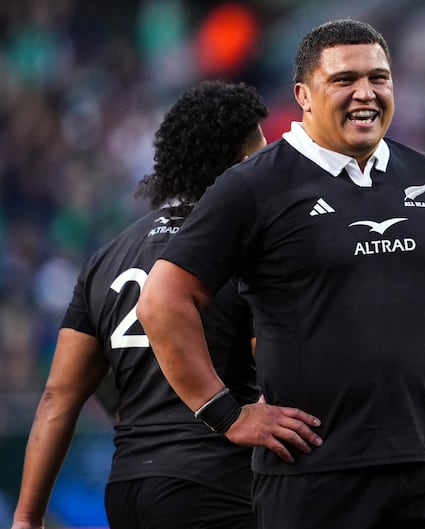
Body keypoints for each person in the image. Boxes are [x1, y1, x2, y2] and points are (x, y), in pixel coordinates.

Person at [137, 18, 425, 529]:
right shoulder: (252, 187)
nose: (366, 93)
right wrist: (226, 413)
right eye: (344, 80)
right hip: (309, 478)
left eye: (379, 78)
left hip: (420, 468)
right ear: (304, 95)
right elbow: (162, 300)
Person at [9, 80, 317, 529]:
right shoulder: (247, 251)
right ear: (244, 166)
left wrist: (27, 517)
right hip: (218, 487)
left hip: (130, 489)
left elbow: (60, 395)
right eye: (263, 156)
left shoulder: (107, 257)